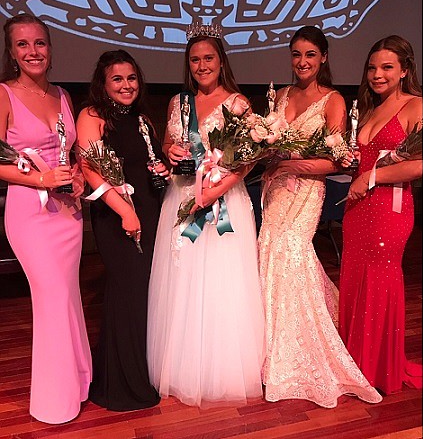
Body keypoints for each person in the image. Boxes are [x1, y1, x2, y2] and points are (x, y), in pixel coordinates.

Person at [258, 25, 382, 407]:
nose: (302, 62)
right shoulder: (279, 96)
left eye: (310, 54)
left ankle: (296, 352)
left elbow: (333, 161)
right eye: (297, 54)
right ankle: (268, 347)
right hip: (276, 189)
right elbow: (268, 146)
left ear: (323, 58)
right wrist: (266, 155)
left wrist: (290, 165)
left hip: (307, 191)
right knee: (267, 252)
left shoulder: (333, 101)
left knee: (289, 254)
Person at [147, 23, 265, 407]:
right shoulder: (178, 103)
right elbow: (168, 141)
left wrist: (211, 191)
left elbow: (247, 162)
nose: (202, 65)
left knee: (222, 284)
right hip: (181, 198)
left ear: (221, 61)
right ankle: (182, 366)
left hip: (223, 203)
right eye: (195, 59)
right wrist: (172, 151)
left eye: (208, 58)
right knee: (181, 283)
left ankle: (221, 369)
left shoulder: (239, 104)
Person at [0, 13, 91, 424]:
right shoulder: (3, 94)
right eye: (23, 44)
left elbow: (69, 153)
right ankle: (54, 402)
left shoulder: (63, 96)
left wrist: (75, 179)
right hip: (30, 214)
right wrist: (39, 177)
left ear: (50, 49)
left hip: (67, 213)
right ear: (11, 52)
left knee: (68, 297)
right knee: (52, 299)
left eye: (40, 43)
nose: (33, 51)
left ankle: (78, 381)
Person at [76, 50, 167, 411]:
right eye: (118, 79)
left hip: (148, 211)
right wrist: (124, 213)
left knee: (143, 297)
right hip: (117, 218)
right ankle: (121, 385)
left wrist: (160, 170)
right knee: (127, 294)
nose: (126, 85)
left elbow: (146, 164)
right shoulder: (92, 116)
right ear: (103, 83)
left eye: (131, 78)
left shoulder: (143, 119)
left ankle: (140, 372)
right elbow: (91, 169)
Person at [339, 35, 423, 394]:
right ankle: (353, 362)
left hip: (389, 210)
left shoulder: (416, 106)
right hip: (358, 210)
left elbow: (419, 166)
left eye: (387, 67)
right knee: (356, 279)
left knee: (380, 280)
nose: (377, 74)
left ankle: (377, 368)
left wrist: (370, 177)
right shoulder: (371, 108)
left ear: (404, 70)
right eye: (372, 67)